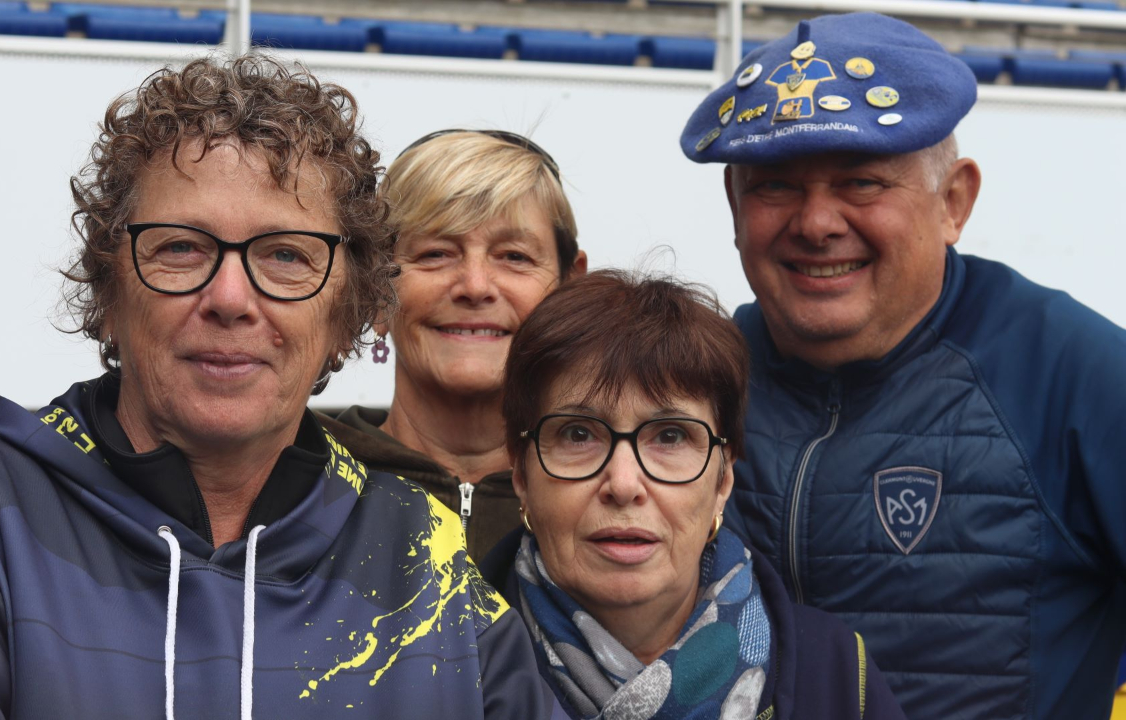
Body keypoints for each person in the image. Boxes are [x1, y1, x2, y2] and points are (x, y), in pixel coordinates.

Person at [0, 56, 548, 719]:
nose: (231, 298)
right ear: (109, 295)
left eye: (286, 255)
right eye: (181, 247)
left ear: (348, 316)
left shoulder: (424, 552)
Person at [680, 12, 1126, 720]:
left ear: (954, 203)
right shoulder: (694, 383)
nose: (816, 223)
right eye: (775, 186)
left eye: (861, 182)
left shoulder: (1077, 376)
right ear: (734, 204)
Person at [487, 269, 905, 719]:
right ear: (521, 473)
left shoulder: (837, 673)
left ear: (723, 479)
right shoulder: (448, 659)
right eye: (578, 434)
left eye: (669, 436)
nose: (623, 485)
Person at [319, 129, 586, 560]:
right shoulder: (299, 474)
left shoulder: (612, 487)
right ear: (376, 291)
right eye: (436, 254)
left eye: (514, 256)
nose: (475, 286)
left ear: (569, 289)